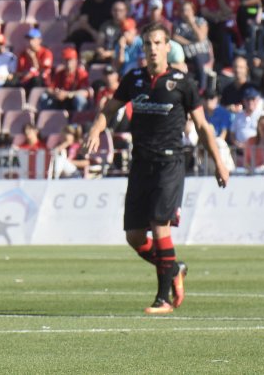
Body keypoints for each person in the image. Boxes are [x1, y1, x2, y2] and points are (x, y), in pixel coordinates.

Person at [83, 22, 229, 315]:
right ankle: (174, 268)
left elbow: (202, 126)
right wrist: (96, 130)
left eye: (157, 43)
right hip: (141, 163)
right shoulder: (133, 78)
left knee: (159, 225)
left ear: (167, 48)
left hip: (169, 163)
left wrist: (219, 163)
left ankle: (163, 299)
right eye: (148, 44)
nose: (152, 49)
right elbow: (110, 110)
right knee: (134, 237)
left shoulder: (182, 82)